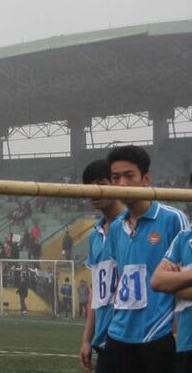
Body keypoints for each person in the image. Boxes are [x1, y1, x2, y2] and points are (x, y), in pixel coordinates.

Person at [104, 145, 189, 373]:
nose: (122, 184)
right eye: (116, 178)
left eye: (129, 176)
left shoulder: (173, 219)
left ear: (145, 179)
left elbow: (185, 278)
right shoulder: (116, 227)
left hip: (158, 334)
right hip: (118, 333)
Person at [78, 159, 125, 373]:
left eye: (101, 183)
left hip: (132, 335)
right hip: (104, 338)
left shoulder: (132, 225)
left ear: (114, 182)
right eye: (89, 187)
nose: (95, 191)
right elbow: (96, 294)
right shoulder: (94, 235)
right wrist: (87, 340)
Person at [151, 226, 192, 373]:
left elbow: (169, 285)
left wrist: (177, 282)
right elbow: (158, 281)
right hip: (187, 342)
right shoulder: (184, 237)